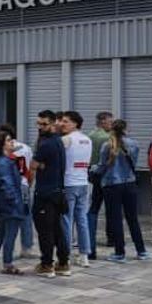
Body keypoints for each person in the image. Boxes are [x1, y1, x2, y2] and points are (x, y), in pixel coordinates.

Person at [101, 119, 151, 262]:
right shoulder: (134, 144)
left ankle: (119, 252)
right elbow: (133, 163)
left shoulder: (107, 145)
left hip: (111, 184)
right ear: (126, 129)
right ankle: (141, 250)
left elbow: (102, 165)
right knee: (133, 219)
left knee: (116, 219)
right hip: (129, 183)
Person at [30, 110, 70, 278]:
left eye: (44, 124)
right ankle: (63, 263)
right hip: (58, 191)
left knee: (45, 230)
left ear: (53, 124)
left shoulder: (46, 144)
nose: (40, 127)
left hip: (46, 193)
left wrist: (39, 166)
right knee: (57, 228)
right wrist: (41, 165)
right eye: (38, 123)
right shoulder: (58, 141)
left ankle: (47, 264)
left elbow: (32, 165)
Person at [0, 131, 25, 274]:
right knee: (10, 234)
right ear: (2, 145)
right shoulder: (4, 163)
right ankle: (8, 263)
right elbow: (7, 184)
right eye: (8, 140)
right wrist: (15, 202)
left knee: (2, 232)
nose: (12, 142)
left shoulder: (2, 161)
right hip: (10, 204)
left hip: (2, 203)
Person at [59, 110, 93, 266]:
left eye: (66, 121)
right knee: (82, 219)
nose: (62, 124)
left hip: (68, 183)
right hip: (83, 182)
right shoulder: (87, 140)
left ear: (75, 123)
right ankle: (84, 254)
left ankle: (65, 253)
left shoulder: (66, 140)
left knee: (67, 219)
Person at [0, 124, 35, 259]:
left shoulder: (2, 150)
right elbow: (31, 169)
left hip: (10, 186)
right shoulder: (26, 148)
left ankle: (8, 250)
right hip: (24, 184)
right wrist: (29, 183)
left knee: (9, 219)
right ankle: (27, 247)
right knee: (26, 217)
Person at [86, 111, 114, 261]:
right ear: (102, 122)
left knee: (94, 207)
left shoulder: (89, 136)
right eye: (110, 121)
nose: (112, 124)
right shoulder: (107, 138)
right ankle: (111, 238)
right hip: (106, 175)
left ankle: (90, 238)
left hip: (93, 173)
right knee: (110, 207)